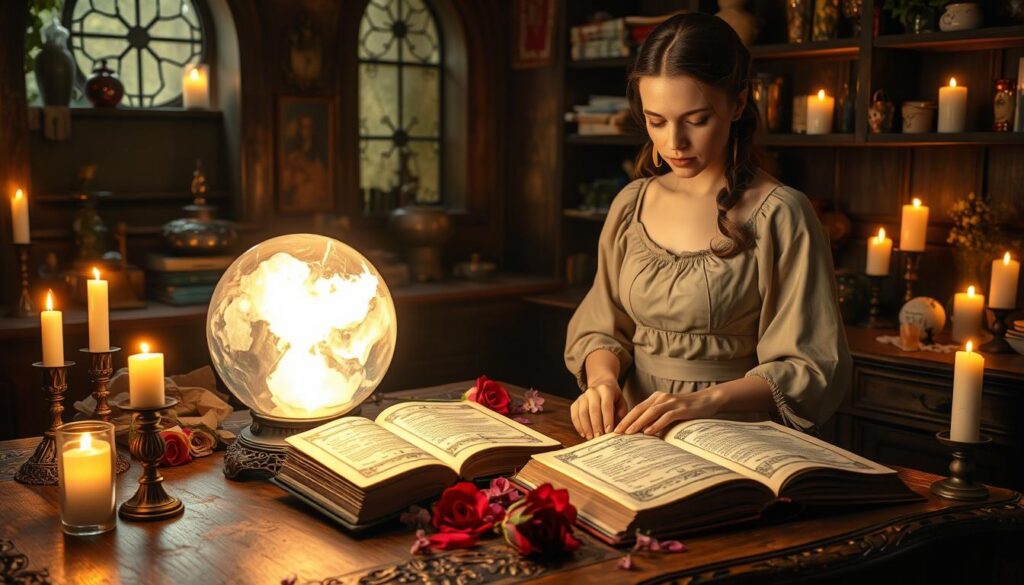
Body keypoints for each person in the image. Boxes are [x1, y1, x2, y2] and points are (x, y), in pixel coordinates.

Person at [565, 13, 851, 441]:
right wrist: (603, 381)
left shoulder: (781, 215)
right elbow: (603, 324)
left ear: (737, 104)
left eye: (695, 120)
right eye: (656, 120)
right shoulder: (631, 204)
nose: (674, 142)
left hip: (733, 438)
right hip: (631, 435)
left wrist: (700, 402)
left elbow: (809, 365)